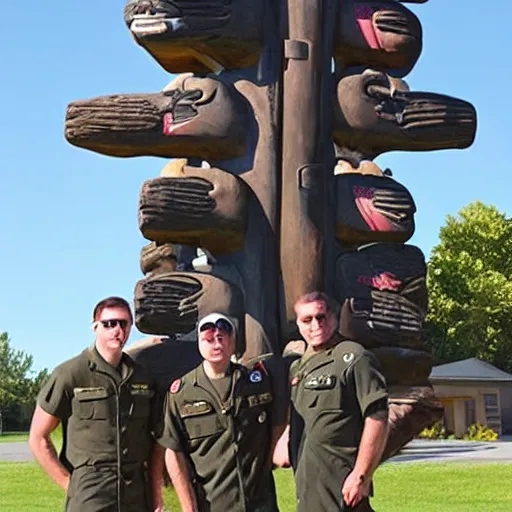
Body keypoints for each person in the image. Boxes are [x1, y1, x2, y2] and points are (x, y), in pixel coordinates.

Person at [29, 296, 165, 512]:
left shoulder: (143, 378)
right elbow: (38, 437)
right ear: (95, 327)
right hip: (91, 495)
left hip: (136, 495)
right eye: (109, 323)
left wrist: (156, 495)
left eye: (123, 323)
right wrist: (70, 485)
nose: (117, 330)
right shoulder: (71, 374)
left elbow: (158, 441)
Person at [157, 312, 285, 512]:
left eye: (221, 338)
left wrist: (267, 461)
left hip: (260, 504)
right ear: (199, 343)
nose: (216, 345)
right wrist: (188, 507)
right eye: (209, 340)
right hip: (213, 504)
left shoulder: (255, 382)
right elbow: (173, 451)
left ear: (232, 342)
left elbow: (277, 421)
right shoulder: (182, 392)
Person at [288, 291, 389, 512]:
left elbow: (378, 417)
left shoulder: (354, 357)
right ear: (298, 324)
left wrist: (362, 475)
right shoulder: (298, 368)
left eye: (321, 317)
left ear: (333, 317)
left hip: (343, 488)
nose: (315, 325)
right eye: (307, 320)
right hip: (310, 490)